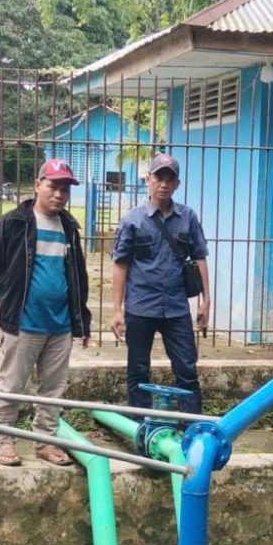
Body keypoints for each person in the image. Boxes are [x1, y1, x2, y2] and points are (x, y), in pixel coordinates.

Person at [0, 159, 91, 466]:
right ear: (37, 185)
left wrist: (81, 320)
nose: (59, 194)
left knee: (53, 389)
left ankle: (45, 442)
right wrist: (13, 294)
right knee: (12, 385)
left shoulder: (69, 228)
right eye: (53, 186)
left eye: (65, 189)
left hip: (60, 324)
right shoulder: (14, 223)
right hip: (24, 322)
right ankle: (3, 441)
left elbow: (78, 276)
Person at [111, 153, 210, 413]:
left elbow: (199, 257)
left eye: (169, 179)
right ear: (148, 179)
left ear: (177, 184)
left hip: (176, 307)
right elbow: (120, 264)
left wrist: (206, 301)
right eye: (158, 177)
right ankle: (140, 425)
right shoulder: (132, 220)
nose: (164, 184)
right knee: (138, 370)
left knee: (187, 369)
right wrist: (117, 310)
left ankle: (191, 425)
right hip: (140, 306)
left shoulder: (188, 217)